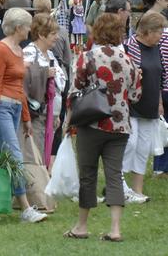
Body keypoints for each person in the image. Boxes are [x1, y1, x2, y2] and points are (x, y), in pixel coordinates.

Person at [65, 13, 142, 242]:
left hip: (92, 123)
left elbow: (74, 91)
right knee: (114, 175)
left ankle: (81, 226)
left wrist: (68, 121)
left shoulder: (87, 57)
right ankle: (115, 229)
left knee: (87, 175)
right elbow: (136, 95)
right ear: (119, 32)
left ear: (96, 31)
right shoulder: (129, 60)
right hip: (120, 126)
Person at [0, 8, 48, 223]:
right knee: (14, 156)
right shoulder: (0, 50)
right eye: (28, 26)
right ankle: (25, 208)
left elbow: (19, 87)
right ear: (19, 27)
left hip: (14, 108)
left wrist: (26, 118)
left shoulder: (18, 50)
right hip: (1, 107)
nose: (30, 30)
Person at [122, 12, 167, 201]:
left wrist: (159, 103)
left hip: (150, 106)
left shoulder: (157, 49)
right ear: (147, 31)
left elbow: (159, 78)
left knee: (142, 148)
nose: (161, 36)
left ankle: (137, 190)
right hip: (131, 105)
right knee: (129, 145)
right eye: (158, 32)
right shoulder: (129, 46)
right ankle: (119, 187)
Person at [21, 14, 66, 159]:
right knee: (35, 157)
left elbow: (57, 87)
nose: (57, 37)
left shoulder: (51, 54)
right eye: (53, 34)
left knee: (44, 156)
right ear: (41, 34)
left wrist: (56, 114)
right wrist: (44, 73)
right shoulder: (29, 52)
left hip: (50, 115)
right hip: (37, 115)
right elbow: (22, 76)